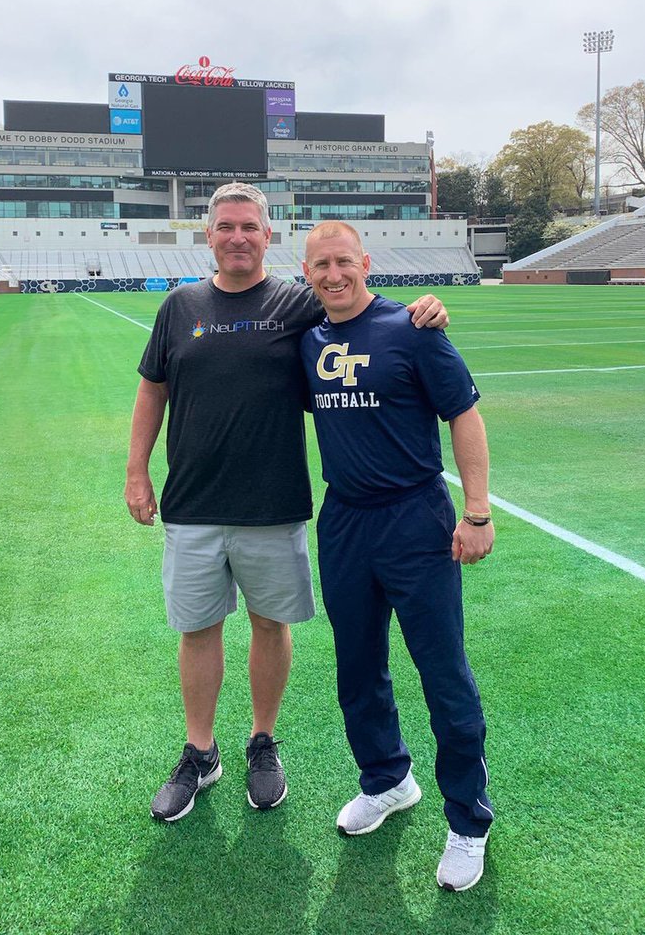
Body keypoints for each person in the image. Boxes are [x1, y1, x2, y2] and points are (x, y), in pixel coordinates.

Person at [125, 182, 449, 822]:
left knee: (270, 625)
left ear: (267, 236)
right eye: (226, 227)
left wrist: (423, 311)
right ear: (209, 235)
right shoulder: (179, 305)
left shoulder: (298, 303)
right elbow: (151, 391)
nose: (237, 236)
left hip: (274, 506)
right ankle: (200, 751)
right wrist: (137, 472)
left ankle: (263, 742)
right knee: (198, 631)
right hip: (193, 504)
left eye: (249, 226)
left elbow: (358, 309)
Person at [300, 220, 494, 893]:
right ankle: (387, 780)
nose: (333, 274)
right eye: (320, 264)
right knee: (357, 668)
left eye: (343, 261)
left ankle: (469, 819)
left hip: (416, 519)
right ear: (307, 273)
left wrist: (476, 511)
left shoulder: (414, 329)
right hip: (345, 522)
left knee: (443, 674)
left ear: (366, 262)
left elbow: (464, 412)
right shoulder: (309, 339)